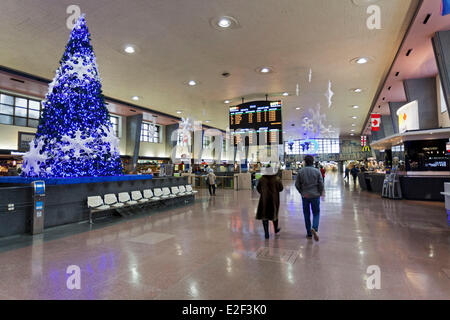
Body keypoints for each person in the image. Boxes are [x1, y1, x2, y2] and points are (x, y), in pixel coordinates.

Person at [295, 155, 324, 241]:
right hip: (315, 196)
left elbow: (297, 184)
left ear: (305, 161)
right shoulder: (317, 171)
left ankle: (308, 232)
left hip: (305, 196)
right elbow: (321, 184)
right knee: (316, 213)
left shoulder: (301, 171)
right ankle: (314, 228)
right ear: (313, 161)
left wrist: (302, 192)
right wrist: (319, 192)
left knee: (306, 214)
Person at [256, 164, 284, 239]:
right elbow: (281, 188)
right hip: (274, 200)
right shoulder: (277, 179)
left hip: (264, 200)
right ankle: (275, 229)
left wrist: (263, 193)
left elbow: (258, 189)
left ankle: (266, 234)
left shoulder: (262, 179)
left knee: (264, 216)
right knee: (274, 214)